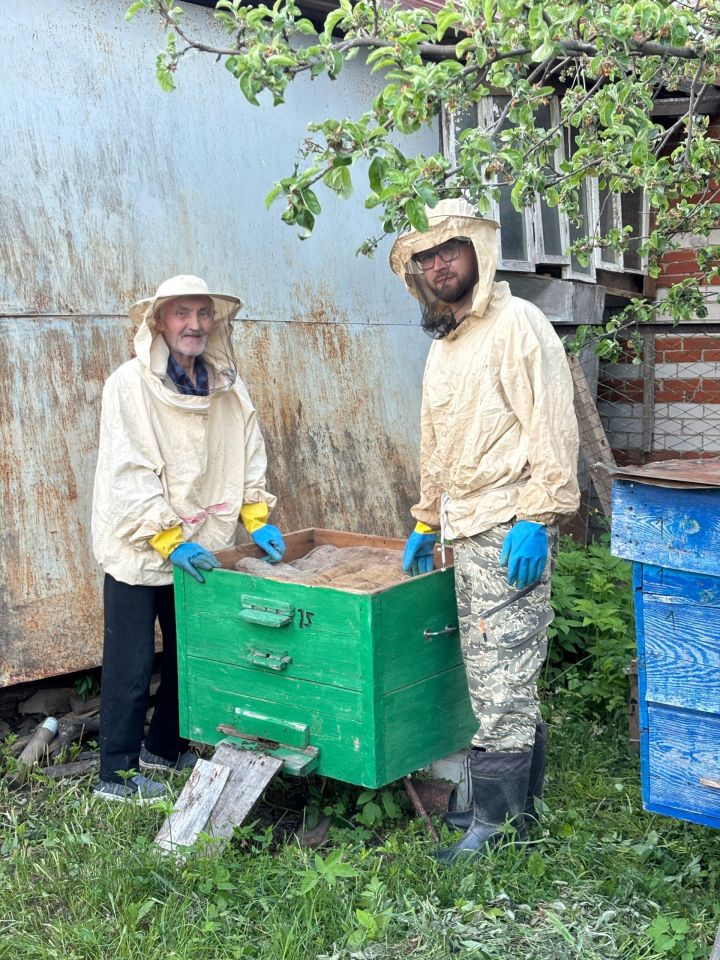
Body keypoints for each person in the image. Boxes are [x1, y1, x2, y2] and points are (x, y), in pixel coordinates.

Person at [389, 199, 579, 862]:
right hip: (465, 530)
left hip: (509, 528)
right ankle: (508, 810)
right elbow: (436, 443)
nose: (439, 264)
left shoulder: (518, 325)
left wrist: (539, 517)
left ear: (478, 251)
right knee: (492, 672)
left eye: (450, 250)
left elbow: (552, 428)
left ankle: (498, 832)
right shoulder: (447, 344)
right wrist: (426, 517)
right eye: (427, 257)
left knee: (503, 678)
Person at [91, 275, 285, 802]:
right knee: (131, 664)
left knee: (190, 653)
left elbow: (247, 454)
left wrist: (255, 515)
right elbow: (128, 473)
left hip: (203, 545)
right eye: (182, 314)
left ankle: (165, 749)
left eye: (203, 314)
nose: (194, 324)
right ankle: (117, 775)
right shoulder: (128, 385)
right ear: (159, 322)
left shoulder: (227, 387)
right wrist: (168, 538)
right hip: (141, 546)